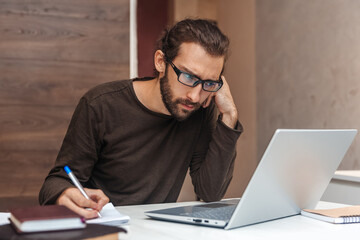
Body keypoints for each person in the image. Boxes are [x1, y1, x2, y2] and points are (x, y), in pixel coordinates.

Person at [39, 18, 243, 219]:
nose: (195, 96)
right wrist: (64, 193)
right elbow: (55, 183)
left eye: (209, 83)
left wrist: (229, 116)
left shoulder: (198, 110)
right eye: (189, 77)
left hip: (155, 230)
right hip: (105, 228)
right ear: (161, 62)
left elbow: (210, 192)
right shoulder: (101, 104)